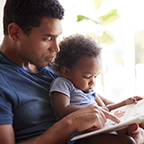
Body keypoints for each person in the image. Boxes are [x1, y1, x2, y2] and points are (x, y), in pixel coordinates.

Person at [0, 0, 142, 144]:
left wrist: (131, 112)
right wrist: (72, 121)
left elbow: (94, 98)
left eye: (57, 37)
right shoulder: (3, 81)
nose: (56, 48)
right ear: (15, 32)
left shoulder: (52, 65)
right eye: (48, 38)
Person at [49, 34, 143, 134]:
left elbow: (105, 109)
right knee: (128, 141)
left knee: (135, 127)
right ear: (66, 72)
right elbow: (62, 109)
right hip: (82, 133)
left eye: (95, 76)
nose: (92, 82)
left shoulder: (91, 92)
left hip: (101, 127)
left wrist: (124, 103)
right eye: (87, 77)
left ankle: (137, 134)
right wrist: (90, 111)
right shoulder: (62, 84)